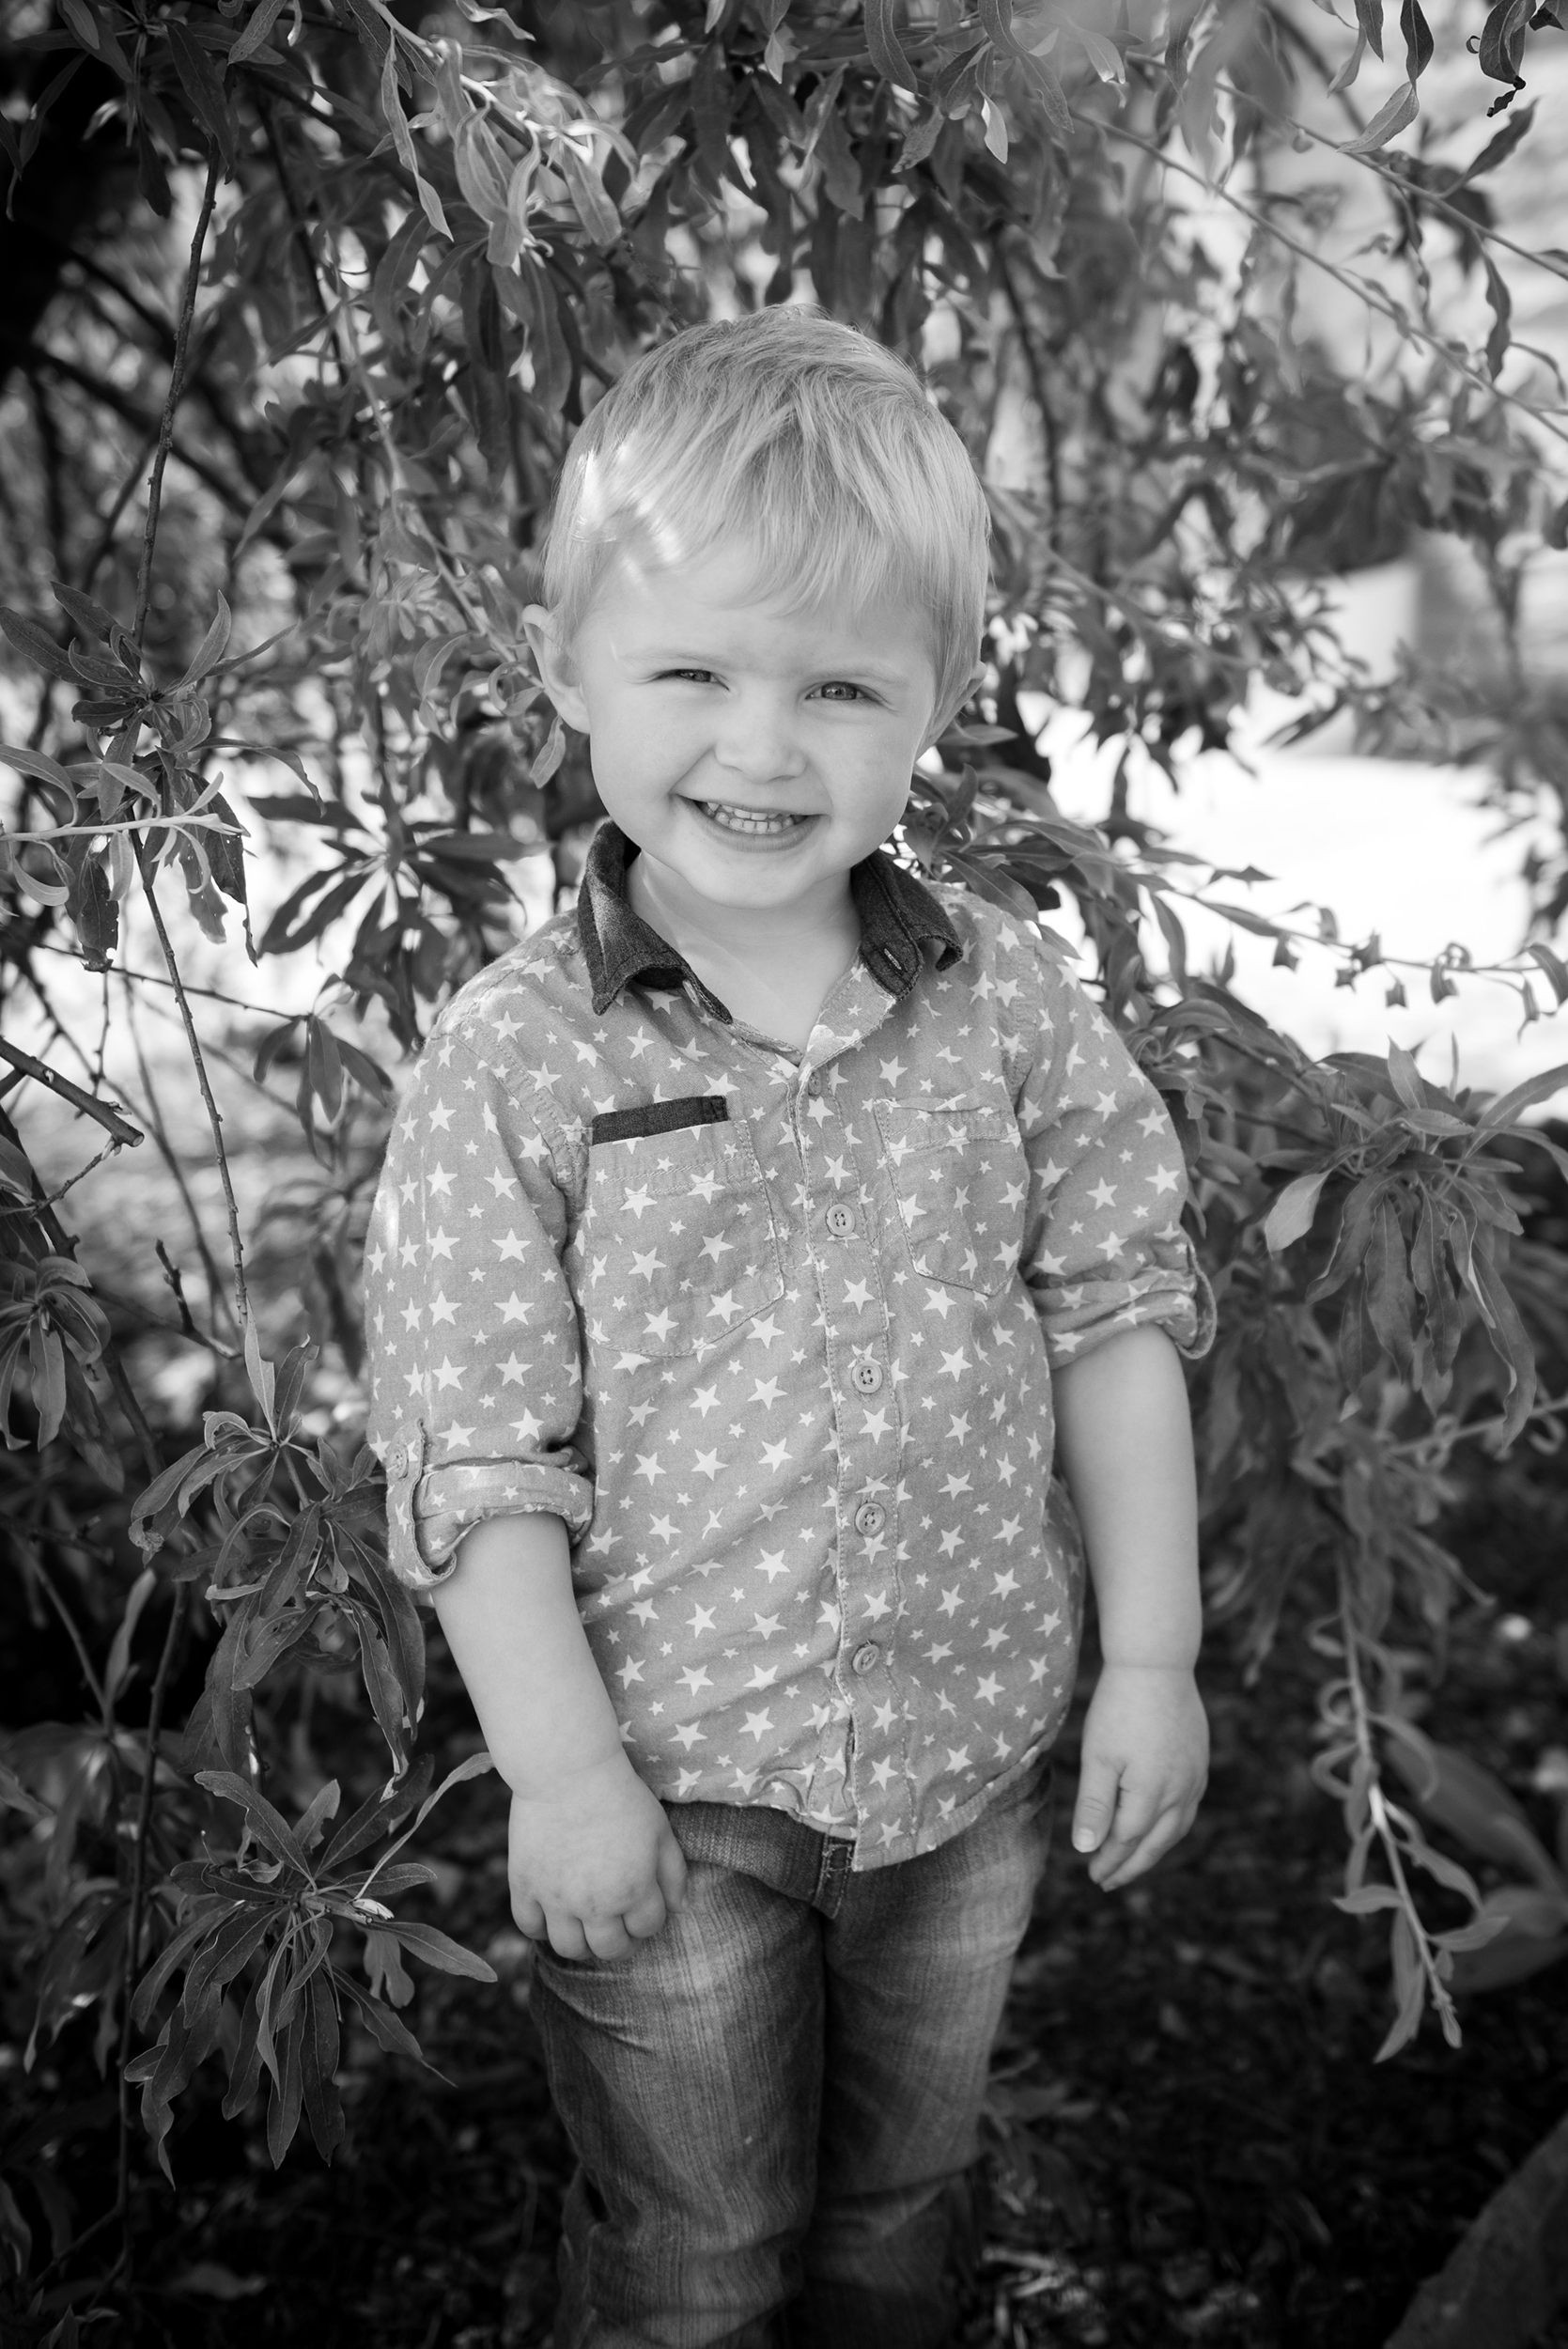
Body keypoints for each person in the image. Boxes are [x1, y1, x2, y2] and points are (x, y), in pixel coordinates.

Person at [362, 305, 1214, 2349]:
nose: (763, 745)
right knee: (699, 2253)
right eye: (692, 673)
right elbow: (476, 1453)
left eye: (839, 683)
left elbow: (1112, 1308)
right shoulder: (519, 1055)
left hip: (964, 1759)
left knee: (896, 2208)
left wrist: (1152, 1653)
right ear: (568, 671)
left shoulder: (1001, 1000)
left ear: (938, 697)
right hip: (670, 1792)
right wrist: (561, 1777)